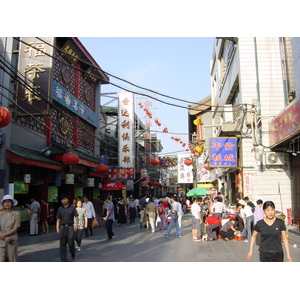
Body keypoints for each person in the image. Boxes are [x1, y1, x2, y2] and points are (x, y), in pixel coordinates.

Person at [56, 194, 79, 262]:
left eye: (65, 199)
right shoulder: (60, 209)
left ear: (68, 200)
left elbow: (76, 217)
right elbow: (58, 219)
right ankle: (63, 259)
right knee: (62, 244)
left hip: (70, 227)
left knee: (71, 243)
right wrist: (57, 228)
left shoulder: (72, 208)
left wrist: (76, 225)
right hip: (62, 227)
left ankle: (72, 252)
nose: (64, 201)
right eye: (62, 200)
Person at [0, 195, 21, 262]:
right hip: (1, 240)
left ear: (12, 203)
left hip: (12, 239)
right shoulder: (0, 214)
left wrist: (4, 235)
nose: (7, 203)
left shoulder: (16, 214)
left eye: (9, 201)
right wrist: (3, 237)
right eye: (5, 202)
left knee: (12, 260)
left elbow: (15, 228)